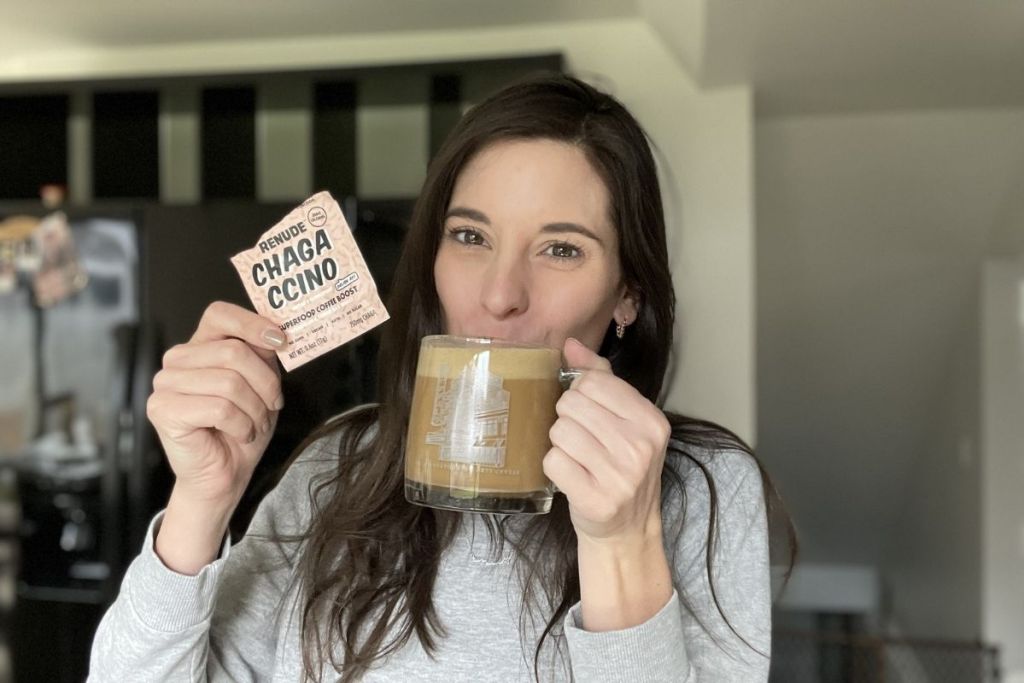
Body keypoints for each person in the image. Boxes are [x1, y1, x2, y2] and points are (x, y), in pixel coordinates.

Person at [88, 73, 792, 682]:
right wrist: (199, 501)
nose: (499, 293)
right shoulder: (339, 467)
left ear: (627, 294)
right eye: (470, 236)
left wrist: (620, 541)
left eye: (560, 248)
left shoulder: (702, 490)